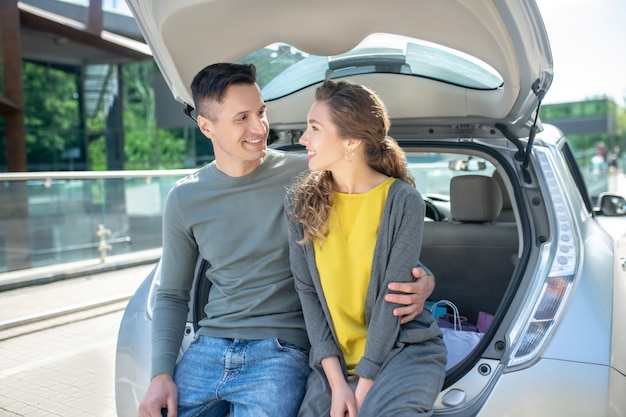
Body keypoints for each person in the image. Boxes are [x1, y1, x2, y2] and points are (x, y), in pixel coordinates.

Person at [137, 63, 436, 417]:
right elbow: (172, 293)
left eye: (261, 112)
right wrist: (161, 374)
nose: (260, 127)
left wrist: (423, 279)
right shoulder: (184, 198)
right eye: (242, 117)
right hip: (208, 347)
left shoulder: (309, 174)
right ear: (206, 126)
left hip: (280, 350)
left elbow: (374, 230)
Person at [286, 79, 447, 417]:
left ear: (351, 141)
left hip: (401, 352)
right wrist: (337, 382)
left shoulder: (403, 201)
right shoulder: (299, 203)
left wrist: (362, 388)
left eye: (314, 128)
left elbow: (393, 297)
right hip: (333, 363)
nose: (303, 138)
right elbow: (308, 295)